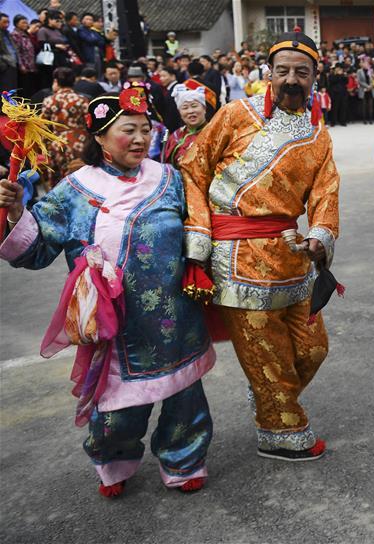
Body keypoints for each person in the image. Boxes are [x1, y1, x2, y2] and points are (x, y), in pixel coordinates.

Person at [0, 89, 215, 498]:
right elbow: (36, 249)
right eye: (127, 130)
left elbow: (202, 226)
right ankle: (113, 460)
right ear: (98, 137)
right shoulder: (75, 189)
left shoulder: (170, 178)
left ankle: (184, 458)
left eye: (145, 130)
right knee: (118, 407)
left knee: (185, 396)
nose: (139, 139)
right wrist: (15, 212)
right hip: (117, 323)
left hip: (177, 318)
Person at [181, 29, 339, 461]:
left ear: (314, 78)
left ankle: (270, 396)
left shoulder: (317, 136)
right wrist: (198, 239)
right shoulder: (235, 114)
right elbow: (192, 170)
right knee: (266, 353)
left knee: (313, 348)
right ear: (268, 73)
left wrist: (320, 236)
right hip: (236, 257)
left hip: (292, 255)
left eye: (301, 72)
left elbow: (326, 194)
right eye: (283, 70)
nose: (292, 79)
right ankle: (279, 430)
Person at [41, 67, 90, 189]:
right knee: (81, 176)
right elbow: (89, 124)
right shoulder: (82, 100)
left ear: (56, 82)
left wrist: (45, 146)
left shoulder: (49, 101)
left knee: (59, 181)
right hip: (80, 142)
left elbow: (44, 127)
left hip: (58, 143)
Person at [162, 81, 215, 166]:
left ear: (204, 109)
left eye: (194, 106)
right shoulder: (175, 136)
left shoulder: (215, 134)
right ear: (180, 112)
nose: (190, 111)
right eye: (185, 108)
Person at [0, 12, 18, 92]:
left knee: (12, 90)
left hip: (12, 64)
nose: (7, 24)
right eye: (4, 22)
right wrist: (3, 65)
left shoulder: (7, 33)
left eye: (8, 22)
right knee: (5, 90)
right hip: (5, 65)